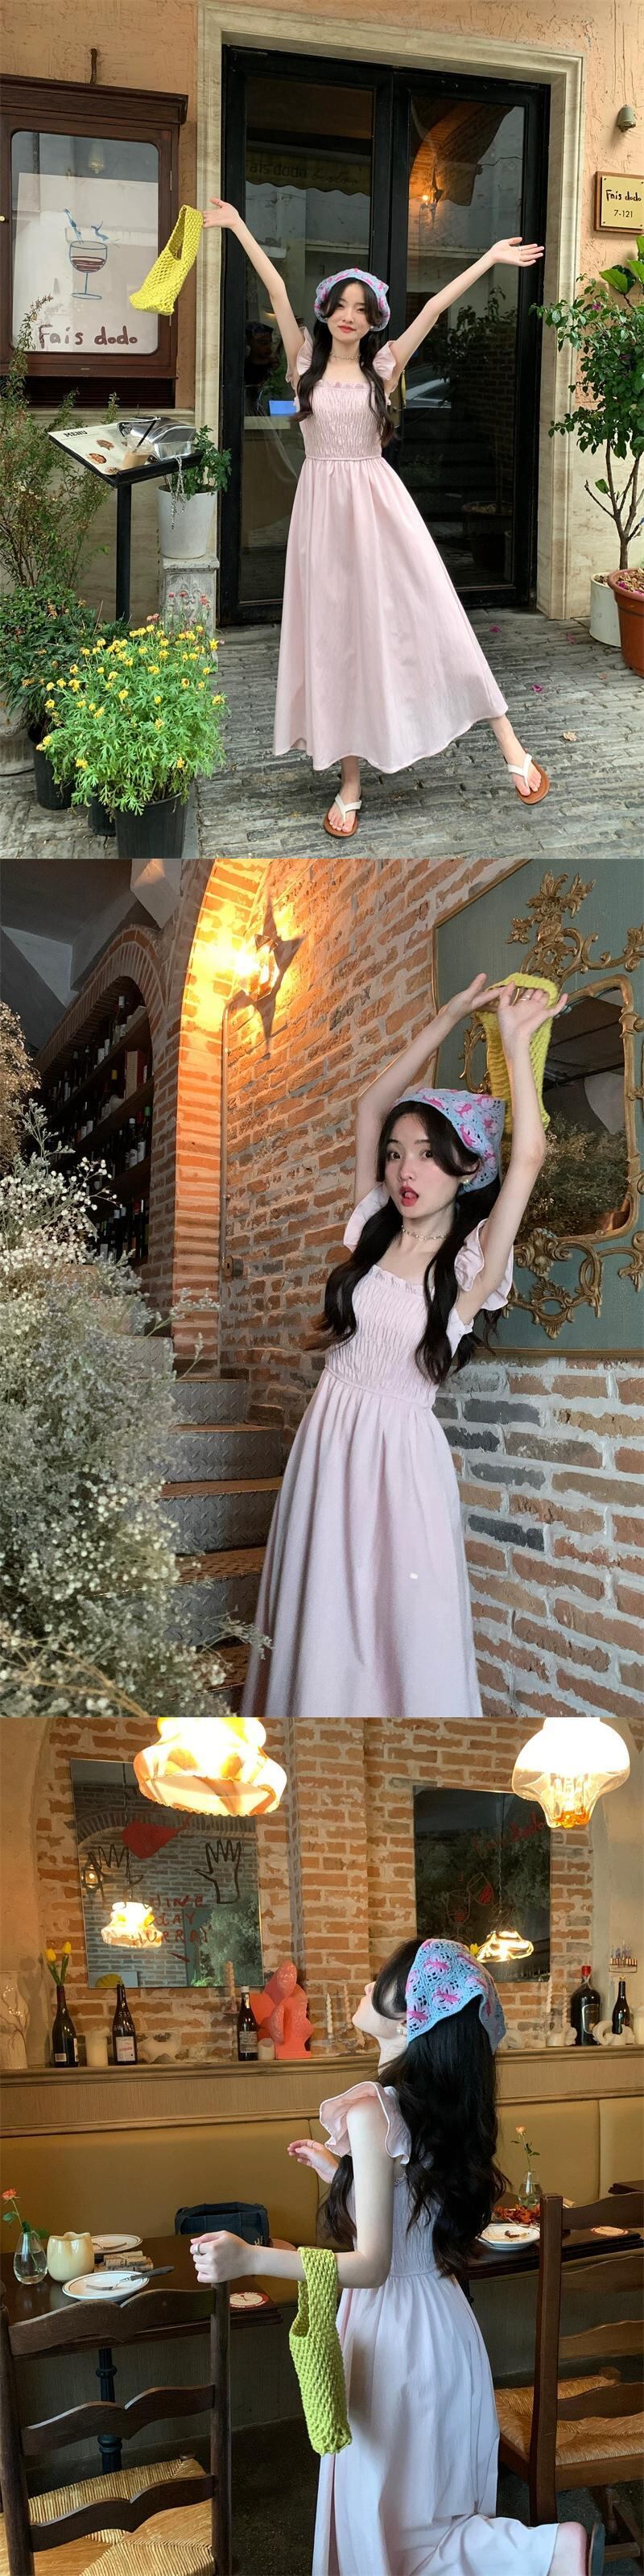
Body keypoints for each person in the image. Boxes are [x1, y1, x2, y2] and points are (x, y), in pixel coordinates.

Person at [191, 1936, 604, 2576]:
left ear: (413, 2013)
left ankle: (545, 2553)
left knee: (388, 2526)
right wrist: (342, 2173)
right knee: (427, 2513)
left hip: (394, 2337)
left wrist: (251, 2259)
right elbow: (413, 2209)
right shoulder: (432, 2106)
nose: (364, 1986)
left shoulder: (372, 2110)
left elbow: (372, 2265)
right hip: (444, 2327)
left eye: (381, 1981)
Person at [241, 975, 565, 1720]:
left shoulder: (472, 1265)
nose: (404, 1170)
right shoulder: (373, 1225)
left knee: (393, 1628)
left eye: (426, 1154)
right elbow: (369, 1105)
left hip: (398, 1461)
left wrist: (515, 1044)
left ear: (466, 1166)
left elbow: (528, 1158)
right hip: (327, 1439)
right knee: (318, 1609)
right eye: (396, 1154)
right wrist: (447, 1015)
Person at [202, 202, 550, 835]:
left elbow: (434, 308)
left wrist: (490, 258)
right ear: (326, 311)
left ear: (372, 321)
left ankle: (511, 745)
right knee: (335, 639)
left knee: (436, 617)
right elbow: (274, 288)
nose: (349, 316)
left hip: (381, 509)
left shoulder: (383, 367)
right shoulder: (303, 363)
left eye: (361, 309)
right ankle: (351, 783)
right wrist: (237, 227)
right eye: (341, 305)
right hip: (321, 517)